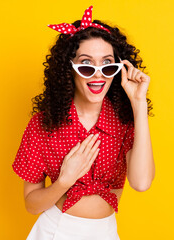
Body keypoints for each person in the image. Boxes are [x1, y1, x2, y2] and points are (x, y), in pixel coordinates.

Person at [12, 5, 155, 240]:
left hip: (105, 232)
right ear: (69, 69)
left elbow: (141, 183)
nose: (98, 74)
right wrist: (65, 180)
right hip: (54, 231)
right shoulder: (43, 124)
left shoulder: (124, 122)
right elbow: (31, 204)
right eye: (86, 65)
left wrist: (138, 103)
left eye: (108, 64)